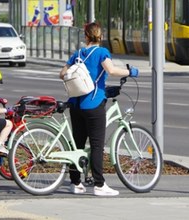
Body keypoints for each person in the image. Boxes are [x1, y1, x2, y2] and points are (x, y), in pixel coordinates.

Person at [59, 22, 139, 196]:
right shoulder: (102, 52)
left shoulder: (78, 54)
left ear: (86, 36)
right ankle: (99, 185)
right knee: (96, 145)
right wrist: (130, 71)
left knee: (78, 143)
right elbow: (111, 70)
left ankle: (75, 183)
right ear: (100, 37)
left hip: (75, 103)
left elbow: (62, 73)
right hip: (93, 103)